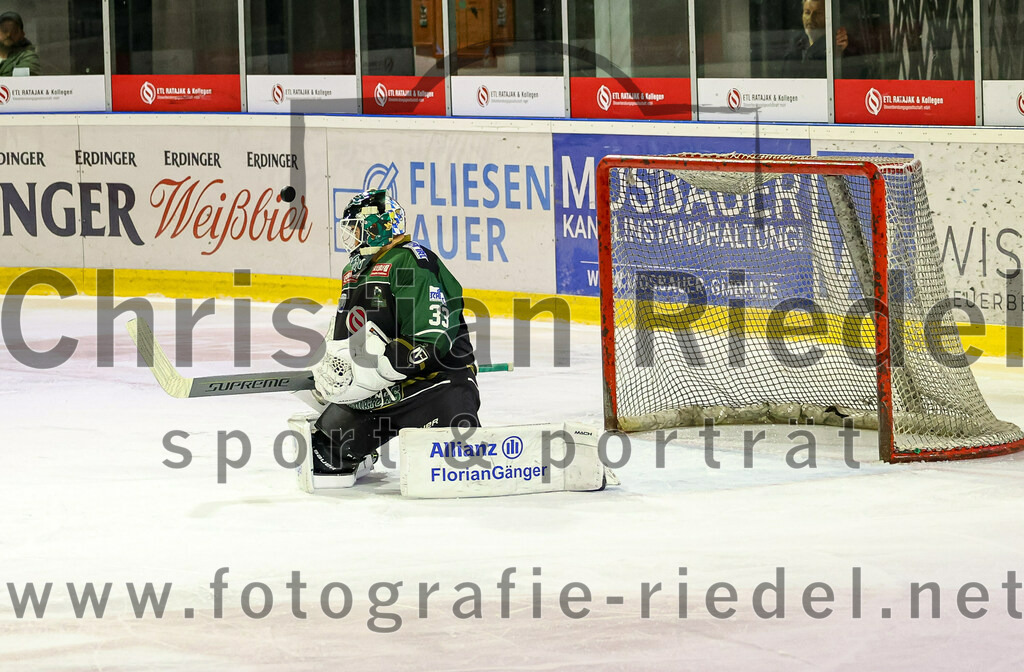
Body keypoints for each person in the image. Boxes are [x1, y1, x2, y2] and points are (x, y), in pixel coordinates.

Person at [304, 188, 480, 488]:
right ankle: (362, 454)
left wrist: (386, 366)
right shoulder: (353, 270)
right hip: (379, 392)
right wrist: (334, 365)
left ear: (378, 227)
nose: (352, 235)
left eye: (357, 228)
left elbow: (432, 338)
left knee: (449, 473)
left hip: (434, 387)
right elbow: (347, 331)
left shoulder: (410, 261)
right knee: (321, 459)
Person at [781, 0, 850, 79]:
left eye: (818, 14)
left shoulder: (837, 45)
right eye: (807, 12)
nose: (810, 18)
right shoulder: (794, 46)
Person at [0, 11, 39, 76]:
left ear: (22, 34)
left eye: (14, 31)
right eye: (4, 30)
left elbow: (22, 82)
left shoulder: (27, 57)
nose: (9, 34)